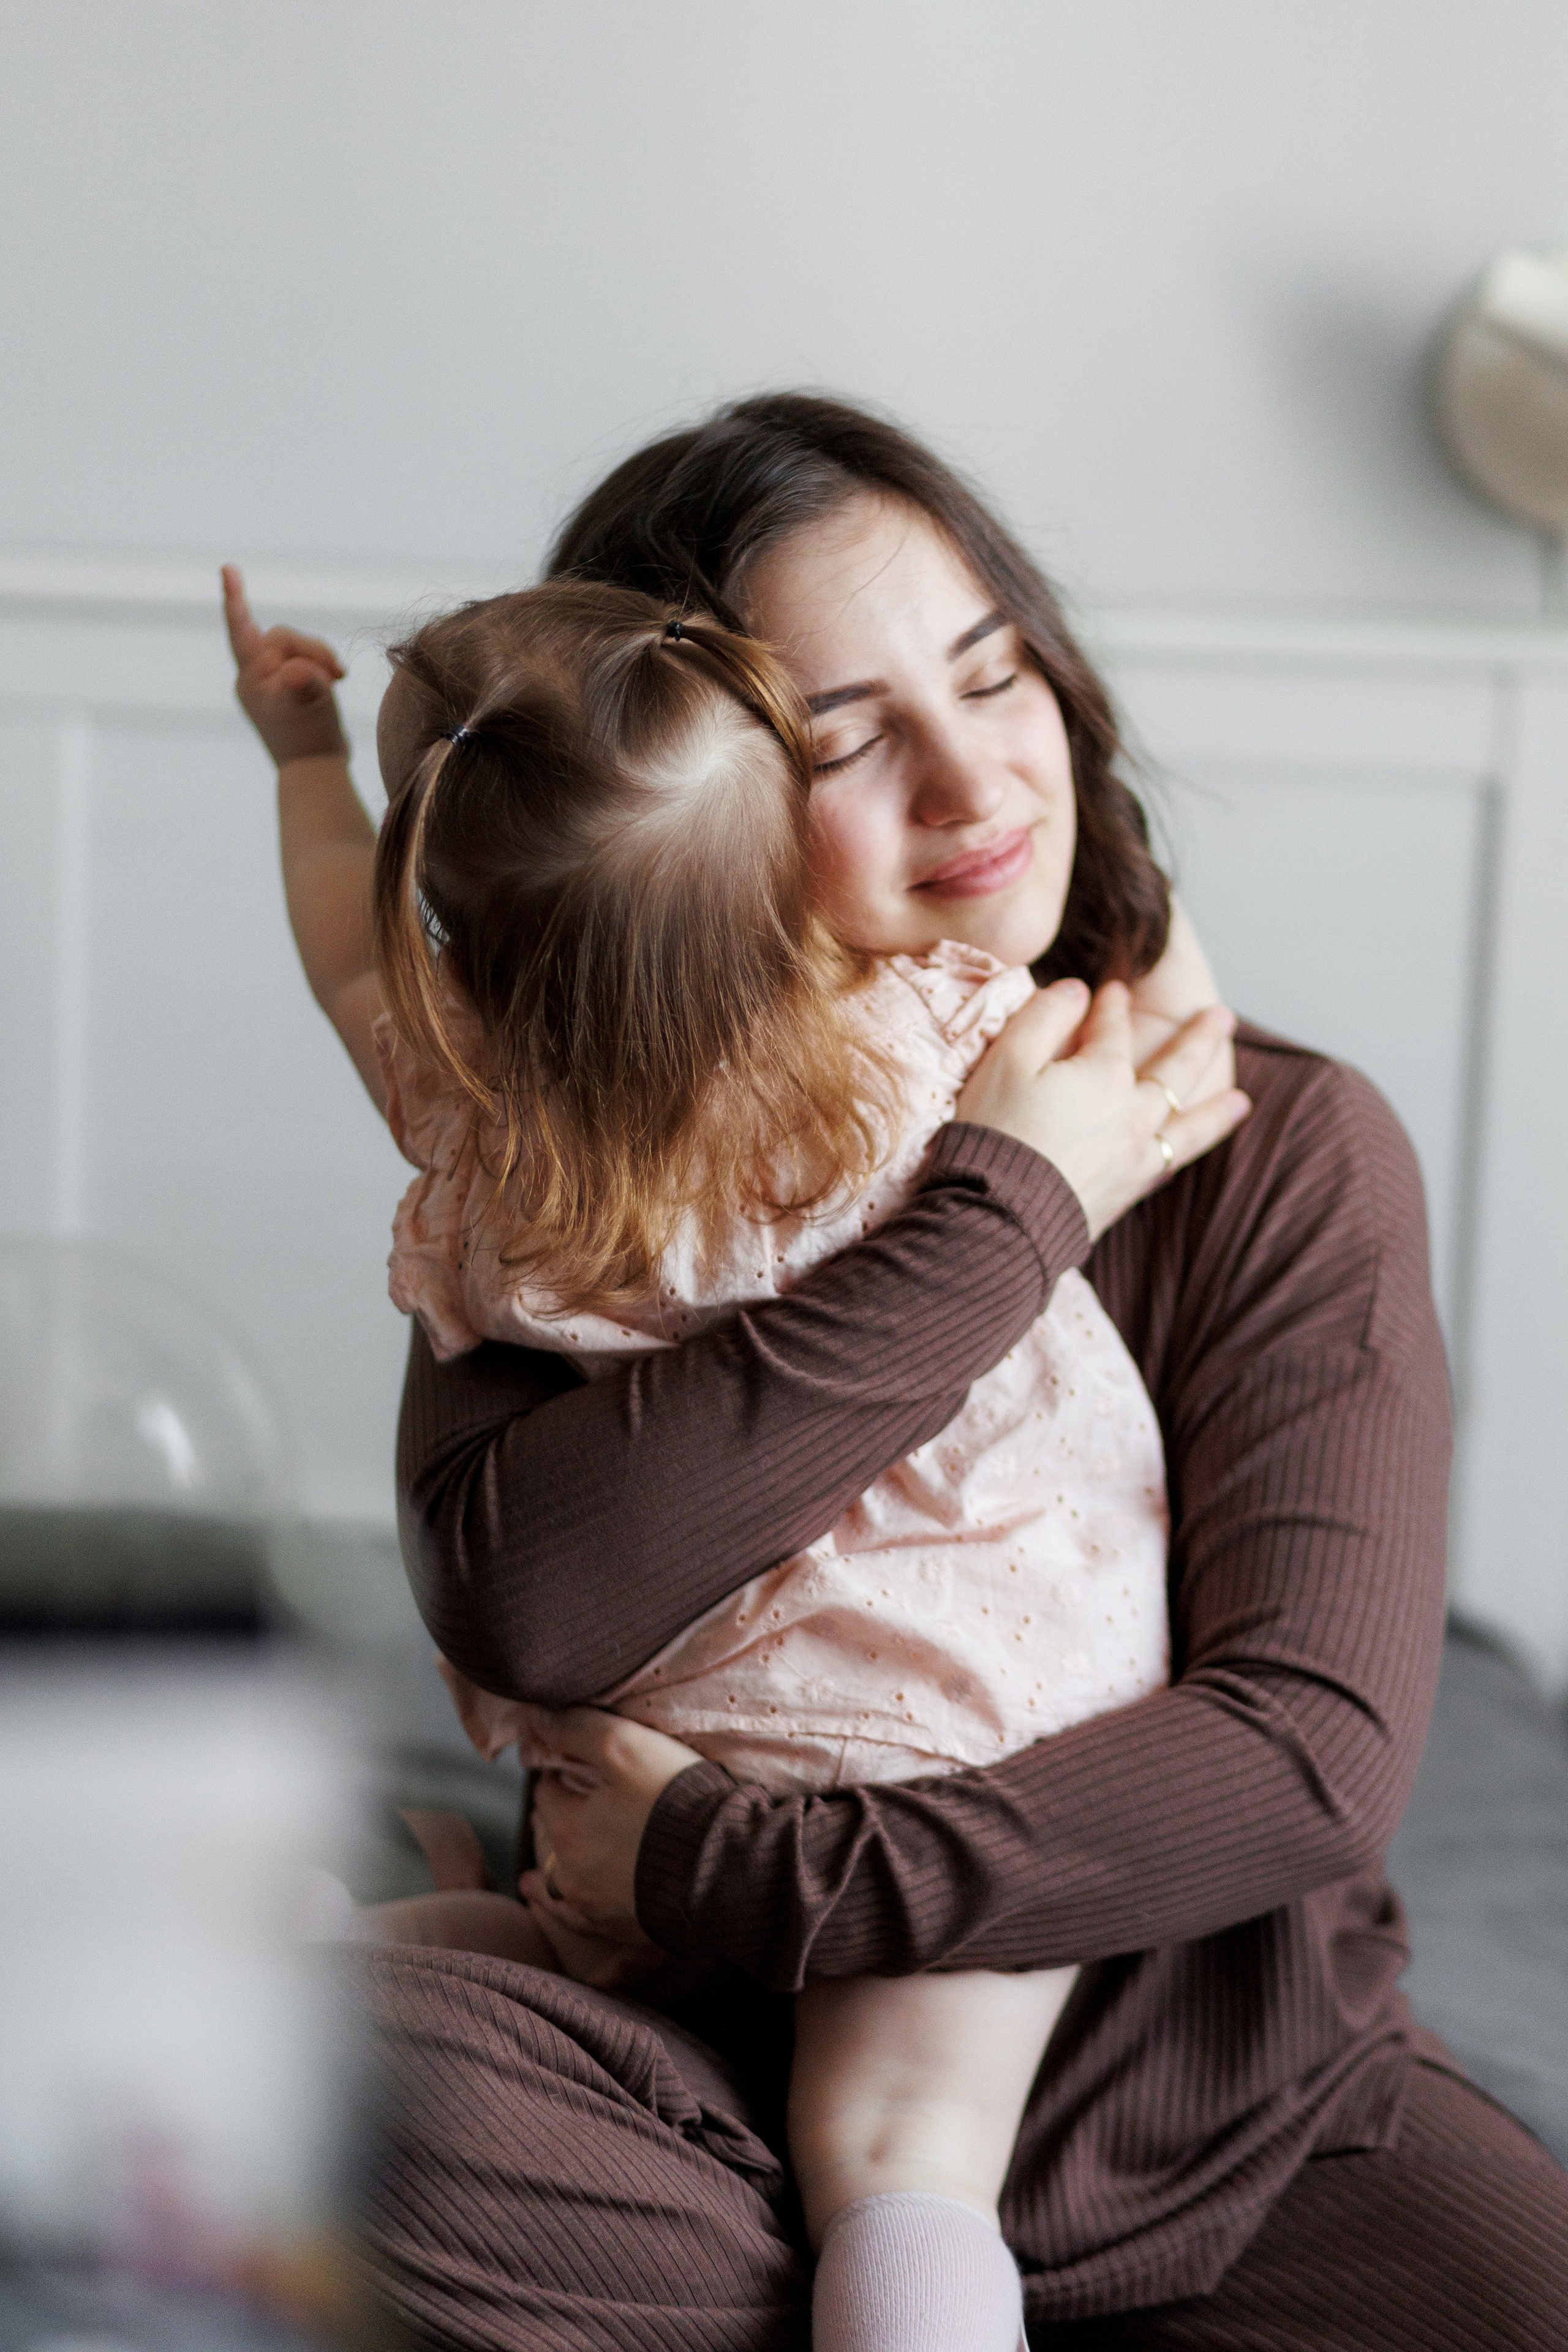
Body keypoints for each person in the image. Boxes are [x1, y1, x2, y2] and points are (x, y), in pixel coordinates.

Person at [240, 392, 1568, 2348]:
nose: (977, 785)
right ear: (670, 830)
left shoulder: (1280, 1142)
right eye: (852, 738)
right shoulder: (594, 1156)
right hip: (693, 2100)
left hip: (1226, 2113)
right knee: (318, 2075)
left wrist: (729, 1866)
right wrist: (997, 1223)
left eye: (997, 669)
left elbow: (1303, 1766)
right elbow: (530, 1591)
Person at [225, 563, 1238, 2352]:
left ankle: (315, 1961)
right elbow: (1156, 1033)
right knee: (906, 2149)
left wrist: (301, 748)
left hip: (687, 1727)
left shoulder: (479, 1116)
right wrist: (1120, 869)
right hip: (979, 1703)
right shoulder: (919, 1035)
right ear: (796, 858)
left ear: (451, 926)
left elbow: (331, 931)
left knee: (592, 1954)